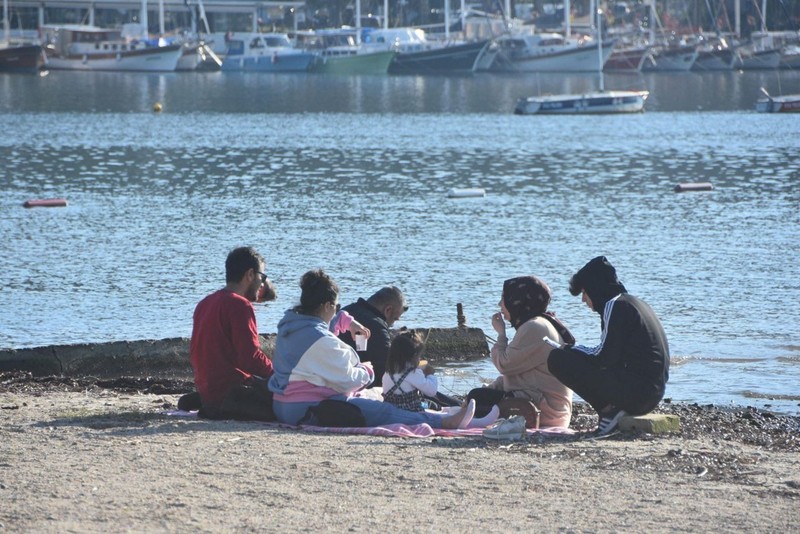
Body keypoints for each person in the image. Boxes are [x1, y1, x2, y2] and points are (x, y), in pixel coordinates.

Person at [268, 269, 475, 429]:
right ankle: (441, 422)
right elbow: (349, 381)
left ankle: (444, 412)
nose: (337, 311)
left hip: (284, 404)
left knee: (375, 393)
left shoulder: (292, 324)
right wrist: (366, 371)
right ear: (326, 306)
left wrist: (348, 322)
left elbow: (327, 326)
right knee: (381, 410)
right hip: (306, 409)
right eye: (336, 307)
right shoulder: (320, 341)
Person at [547, 256, 670, 435]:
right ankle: (613, 410)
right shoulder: (634, 303)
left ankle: (609, 411)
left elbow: (603, 356)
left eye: (584, 293)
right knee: (573, 356)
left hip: (637, 394)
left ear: (594, 289)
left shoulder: (614, 305)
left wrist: (568, 348)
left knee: (558, 359)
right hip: (652, 394)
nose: (583, 300)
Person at [468, 276, 575, 428]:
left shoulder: (534, 327)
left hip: (545, 413)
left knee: (477, 398)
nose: (500, 305)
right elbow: (518, 375)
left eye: (504, 299)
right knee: (476, 397)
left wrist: (501, 335)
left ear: (517, 301)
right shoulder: (539, 323)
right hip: (550, 409)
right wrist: (491, 388)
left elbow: (505, 365)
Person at [188, 246, 278, 420]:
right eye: (262, 277)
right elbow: (250, 359)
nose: (262, 284)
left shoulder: (205, 303)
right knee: (293, 399)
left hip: (208, 391)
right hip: (232, 393)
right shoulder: (240, 305)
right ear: (250, 275)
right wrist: (279, 376)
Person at [338, 286, 408, 387]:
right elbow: (387, 372)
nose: (392, 324)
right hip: (353, 385)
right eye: (395, 319)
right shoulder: (377, 328)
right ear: (388, 310)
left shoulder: (346, 311)